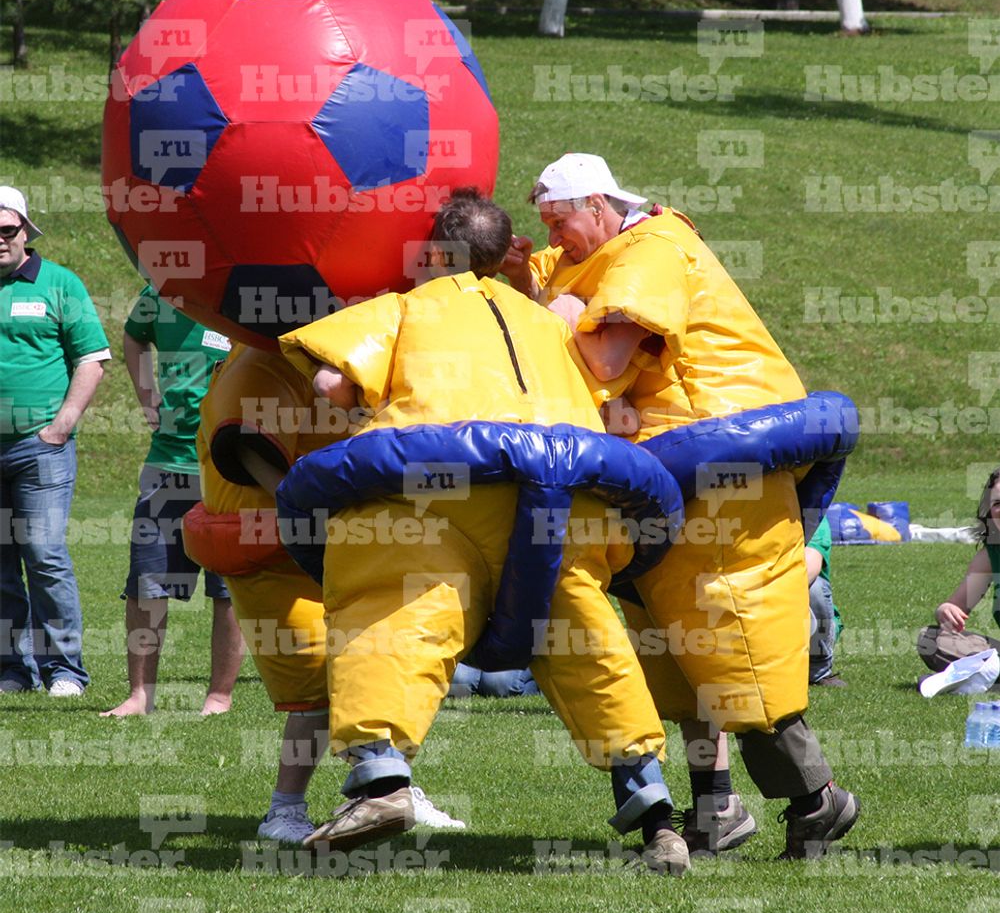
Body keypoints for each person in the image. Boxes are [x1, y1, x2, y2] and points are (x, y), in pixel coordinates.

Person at [277, 187, 690, 875]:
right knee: (587, 638)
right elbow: (606, 384)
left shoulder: (403, 307)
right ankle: (654, 812)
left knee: (397, 608)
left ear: (434, 252)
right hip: (568, 499)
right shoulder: (549, 323)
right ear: (503, 255)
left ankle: (381, 780)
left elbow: (328, 385)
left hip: (437, 493)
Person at [504, 154, 859, 859]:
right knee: (673, 656)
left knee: (736, 652)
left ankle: (818, 798)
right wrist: (522, 282)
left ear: (600, 205)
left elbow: (604, 360)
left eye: (560, 221)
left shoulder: (652, 253)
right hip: (649, 485)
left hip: (720, 474)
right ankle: (715, 805)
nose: (552, 237)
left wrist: (563, 331)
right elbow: (546, 293)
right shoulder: (590, 253)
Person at [181, 343, 465, 841]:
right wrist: (308, 504)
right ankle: (284, 811)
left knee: (379, 665)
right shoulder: (260, 363)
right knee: (315, 688)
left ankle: (388, 788)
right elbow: (245, 445)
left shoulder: (341, 360)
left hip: (338, 538)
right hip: (275, 548)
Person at [100, 285, 242, 717]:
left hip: (231, 464)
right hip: (168, 463)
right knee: (147, 583)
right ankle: (140, 696)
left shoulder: (243, 293)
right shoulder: (158, 293)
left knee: (230, 589)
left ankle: (219, 697)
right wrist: (147, 397)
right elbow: (134, 335)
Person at [0, 186, 110, 696]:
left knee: (42, 553)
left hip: (38, 447)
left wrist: (61, 424)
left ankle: (65, 670)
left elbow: (92, 358)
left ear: (26, 231)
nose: (0, 240)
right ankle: (12, 670)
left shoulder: (59, 284)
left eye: (8, 230)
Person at [917, 466, 1000, 672]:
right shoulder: (990, 556)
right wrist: (945, 611)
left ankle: (984, 677)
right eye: (998, 504)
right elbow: (956, 606)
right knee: (931, 640)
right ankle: (988, 674)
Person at [806, 516, 845, 687]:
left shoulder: (813, 516)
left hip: (798, 610)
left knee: (814, 588)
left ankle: (819, 669)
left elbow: (807, 571)